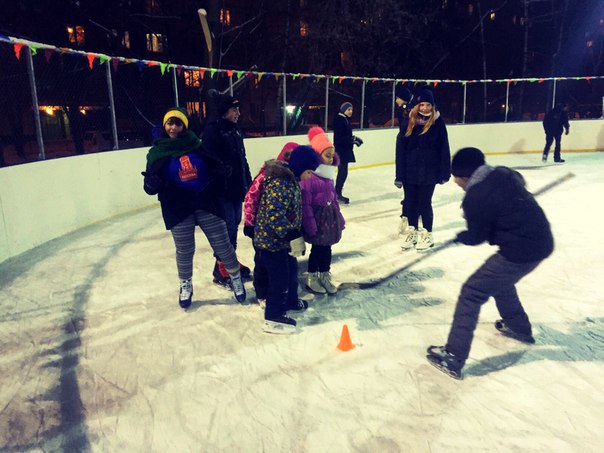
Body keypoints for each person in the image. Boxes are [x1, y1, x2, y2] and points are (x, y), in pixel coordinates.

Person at [426, 147, 554, 379]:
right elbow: (517, 185)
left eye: (456, 177)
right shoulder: (503, 173)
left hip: (521, 250)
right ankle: (518, 326)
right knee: (498, 281)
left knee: (472, 291)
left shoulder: (475, 197)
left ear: (464, 175)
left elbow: (477, 237)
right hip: (541, 241)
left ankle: (454, 356)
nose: (455, 182)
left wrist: (463, 235)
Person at [142, 107, 246, 308]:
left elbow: (212, 169)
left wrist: (222, 172)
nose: (173, 127)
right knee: (184, 250)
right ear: (164, 125)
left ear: (184, 126)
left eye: (178, 123)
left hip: (204, 202)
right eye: (170, 123)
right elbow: (149, 187)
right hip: (177, 207)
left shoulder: (197, 146)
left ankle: (235, 277)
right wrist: (151, 184)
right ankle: (186, 284)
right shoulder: (156, 152)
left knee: (223, 245)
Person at [254, 147, 319, 333]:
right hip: (270, 242)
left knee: (291, 270)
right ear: (299, 167)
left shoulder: (292, 181)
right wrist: (292, 235)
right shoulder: (281, 183)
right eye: (308, 172)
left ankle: (290, 301)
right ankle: (273, 316)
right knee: (280, 277)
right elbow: (274, 214)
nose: (309, 176)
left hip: (281, 240)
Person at [201, 89, 253, 286]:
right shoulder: (213, 130)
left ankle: (227, 262)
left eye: (238, 109)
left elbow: (242, 158)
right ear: (224, 111)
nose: (238, 113)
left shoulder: (235, 130)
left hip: (236, 187)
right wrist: (219, 170)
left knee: (235, 223)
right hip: (221, 190)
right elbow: (207, 159)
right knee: (227, 228)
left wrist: (247, 181)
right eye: (234, 109)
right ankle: (222, 267)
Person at [243, 141, 300, 307]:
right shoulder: (267, 176)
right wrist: (249, 223)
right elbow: (251, 199)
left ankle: (284, 292)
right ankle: (262, 292)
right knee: (262, 262)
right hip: (261, 229)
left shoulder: (292, 177)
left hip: (279, 230)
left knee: (282, 264)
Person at [394, 88, 450, 251]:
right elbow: (401, 150)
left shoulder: (438, 122)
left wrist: (444, 172)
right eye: (422, 104)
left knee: (425, 203)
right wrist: (399, 175)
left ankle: (427, 233)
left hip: (429, 170)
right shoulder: (408, 121)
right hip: (410, 170)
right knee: (410, 202)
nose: (425, 108)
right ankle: (412, 231)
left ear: (433, 106)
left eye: (428, 105)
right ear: (416, 105)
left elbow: (444, 148)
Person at [303, 128, 346, 295]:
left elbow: (334, 199)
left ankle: (324, 275)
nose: (330, 159)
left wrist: (339, 218)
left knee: (327, 249)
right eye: (327, 155)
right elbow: (305, 205)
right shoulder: (310, 177)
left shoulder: (328, 176)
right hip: (317, 220)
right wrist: (310, 225)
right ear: (316, 155)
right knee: (317, 250)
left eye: (332, 155)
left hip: (329, 220)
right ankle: (312, 276)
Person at [333, 102, 363, 204]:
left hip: (344, 150)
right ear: (343, 110)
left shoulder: (344, 119)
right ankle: (337, 193)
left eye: (351, 109)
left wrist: (352, 139)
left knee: (343, 172)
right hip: (341, 151)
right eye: (348, 109)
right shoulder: (340, 121)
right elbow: (339, 139)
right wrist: (352, 140)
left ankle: (337, 192)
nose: (351, 111)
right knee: (342, 172)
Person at [394, 86, 413, 235]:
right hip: (407, 161)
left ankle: (410, 214)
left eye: (398, 98)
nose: (396, 101)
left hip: (413, 161)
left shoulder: (411, 112)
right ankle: (406, 215)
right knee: (409, 194)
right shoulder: (403, 111)